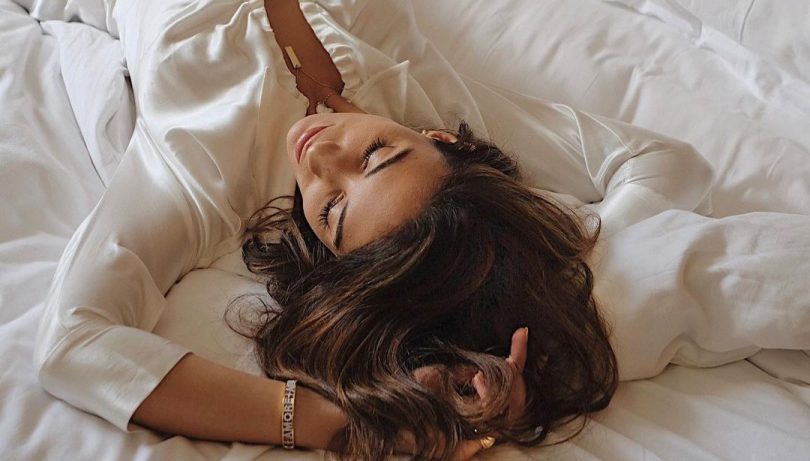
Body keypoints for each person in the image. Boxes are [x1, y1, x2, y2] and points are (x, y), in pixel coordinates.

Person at [34, 0, 810, 460]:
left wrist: (339, 424)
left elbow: (75, 341)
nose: (323, 156)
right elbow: (659, 160)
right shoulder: (420, 101)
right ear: (439, 140)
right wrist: (568, 259)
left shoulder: (198, 171)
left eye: (331, 211)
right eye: (378, 152)